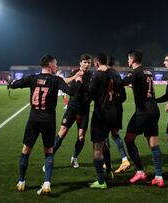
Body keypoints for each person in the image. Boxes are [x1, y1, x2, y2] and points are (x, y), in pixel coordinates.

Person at [9, 55, 82, 195]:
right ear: (49, 64)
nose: (57, 66)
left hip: (33, 119)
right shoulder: (56, 80)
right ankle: (47, 183)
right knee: (48, 152)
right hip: (48, 120)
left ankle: (21, 182)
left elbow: (16, 84)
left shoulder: (33, 78)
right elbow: (71, 92)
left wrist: (10, 84)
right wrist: (77, 81)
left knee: (26, 151)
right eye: (55, 64)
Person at [122, 50, 164, 187]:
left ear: (133, 60)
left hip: (143, 112)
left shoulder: (136, 72)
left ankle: (140, 171)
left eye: (128, 59)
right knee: (153, 144)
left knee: (128, 140)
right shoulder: (148, 72)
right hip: (154, 109)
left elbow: (121, 83)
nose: (127, 61)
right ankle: (159, 176)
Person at [51, 54, 93, 169]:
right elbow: (66, 84)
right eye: (84, 62)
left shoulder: (92, 76)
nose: (87, 64)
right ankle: (49, 158)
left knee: (81, 137)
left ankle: (74, 158)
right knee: (62, 132)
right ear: (80, 63)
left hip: (84, 110)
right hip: (72, 108)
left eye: (89, 62)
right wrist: (75, 77)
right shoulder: (74, 73)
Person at [88, 53, 123, 189]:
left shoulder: (97, 74)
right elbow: (123, 95)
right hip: (113, 114)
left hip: (100, 114)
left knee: (97, 147)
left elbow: (90, 95)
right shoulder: (114, 73)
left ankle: (101, 181)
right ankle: (109, 171)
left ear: (97, 63)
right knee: (104, 143)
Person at [105, 56, 131, 174]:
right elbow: (124, 96)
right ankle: (124, 159)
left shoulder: (102, 74)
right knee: (115, 135)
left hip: (105, 110)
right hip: (117, 110)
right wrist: (116, 103)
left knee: (104, 136)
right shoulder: (117, 75)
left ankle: (107, 162)